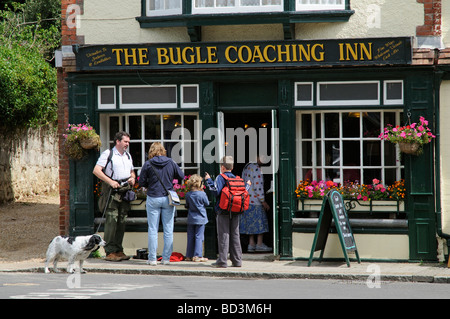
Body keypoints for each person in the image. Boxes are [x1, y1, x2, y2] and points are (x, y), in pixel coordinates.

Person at [139, 142, 184, 266]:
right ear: (163, 150)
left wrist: (150, 185)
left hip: (153, 197)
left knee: (153, 229)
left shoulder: (148, 164)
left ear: (151, 151)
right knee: (168, 229)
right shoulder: (170, 162)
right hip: (168, 198)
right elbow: (181, 175)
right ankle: (166, 258)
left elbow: (141, 182)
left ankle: (152, 259)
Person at [93, 131, 136, 262]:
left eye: (128, 142)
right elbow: (96, 170)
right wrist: (110, 181)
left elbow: (132, 172)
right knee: (112, 221)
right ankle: (110, 251)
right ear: (117, 141)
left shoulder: (127, 155)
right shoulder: (108, 154)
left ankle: (118, 250)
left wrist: (133, 178)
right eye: (125, 141)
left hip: (124, 190)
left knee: (122, 221)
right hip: (112, 190)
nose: (127, 144)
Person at [205, 156, 251, 268]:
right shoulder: (236, 178)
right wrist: (248, 185)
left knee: (223, 235)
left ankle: (222, 261)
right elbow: (244, 191)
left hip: (223, 210)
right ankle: (237, 261)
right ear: (232, 167)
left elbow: (215, 191)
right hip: (236, 210)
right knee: (235, 235)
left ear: (222, 167)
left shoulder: (221, 178)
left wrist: (208, 180)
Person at [240, 157, 272, 253]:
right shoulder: (257, 168)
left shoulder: (247, 166)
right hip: (256, 201)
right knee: (260, 223)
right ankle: (259, 244)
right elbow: (258, 186)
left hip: (247, 200)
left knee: (250, 223)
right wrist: (263, 201)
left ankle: (251, 244)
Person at [184, 174, 209, 262]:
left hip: (191, 218)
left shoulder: (188, 195)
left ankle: (188, 255)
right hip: (201, 218)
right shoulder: (202, 194)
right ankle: (197, 255)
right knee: (199, 236)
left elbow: (187, 205)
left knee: (190, 236)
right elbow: (207, 204)